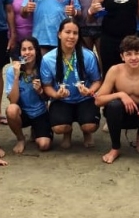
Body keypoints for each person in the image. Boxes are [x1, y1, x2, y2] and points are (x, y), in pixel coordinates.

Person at [95, 36, 139, 164]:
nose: (133, 58)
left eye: (137, 53)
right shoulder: (115, 71)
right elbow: (98, 100)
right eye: (129, 54)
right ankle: (115, 147)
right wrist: (120, 94)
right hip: (119, 114)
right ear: (122, 56)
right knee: (114, 105)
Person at [40, 18, 102, 149]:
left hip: (84, 99)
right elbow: (47, 86)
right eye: (67, 32)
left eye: (75, 33)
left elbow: (97, 81)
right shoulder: (48, 59)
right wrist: (56, 95)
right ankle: (67, 132)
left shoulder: (88, 56)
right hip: (62, 100)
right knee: (59, 127)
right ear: (59, 34)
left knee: (90, 126)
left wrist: (90, 91)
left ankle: (86, 132)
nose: (71, 36)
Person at [5, 37, 52, 154]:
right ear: (20, 52)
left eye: (30, 49)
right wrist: (16, 77)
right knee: (11, 110)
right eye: (24, 49)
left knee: (44, 145)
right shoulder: (12, 71)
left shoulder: (43, 67)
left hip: (40, 112)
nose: (27, 52)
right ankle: (20, 138)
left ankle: (36, 130)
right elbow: (13, 100)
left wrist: (40, 91)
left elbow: (48, 98)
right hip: (22, 112)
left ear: (36, 51)